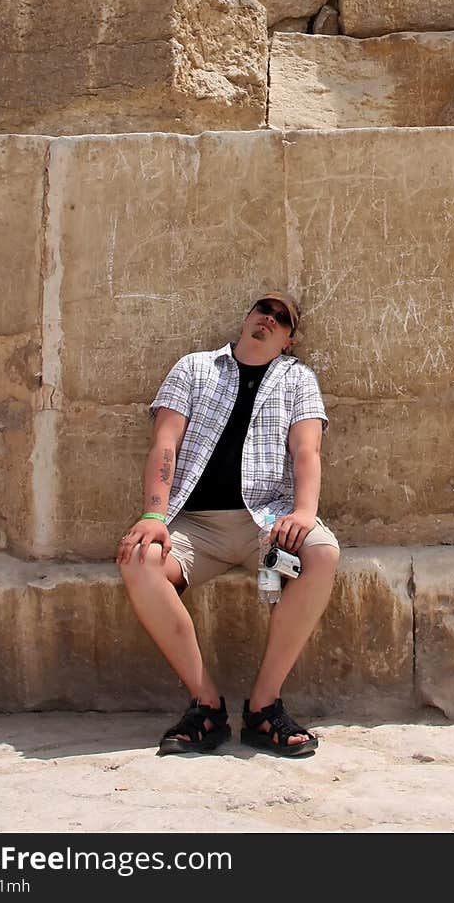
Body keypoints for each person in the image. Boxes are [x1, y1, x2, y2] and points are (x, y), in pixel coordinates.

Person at [117, 292, 339, 759]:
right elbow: (165, 443)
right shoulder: (195, 368)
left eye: (281, 320)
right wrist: (154, 515)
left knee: (321, 551)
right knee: (139, 559)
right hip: (196, 525)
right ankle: (206, 705)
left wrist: (302, 512)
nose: (269, 320)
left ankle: (263, 708)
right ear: (247, 317)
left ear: (288, 339)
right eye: (263, 310)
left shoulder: (298, 380)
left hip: (267, 520)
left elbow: (306, 452)